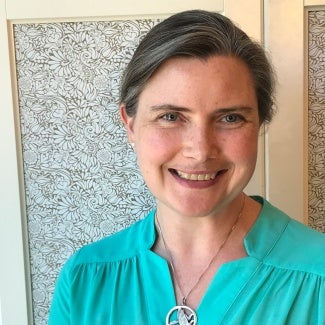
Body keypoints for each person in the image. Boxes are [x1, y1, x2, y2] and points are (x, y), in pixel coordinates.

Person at [49, 10, 325, 325]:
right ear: (130, 125)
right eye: (170, 116)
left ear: (259, 124)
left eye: (230, 118)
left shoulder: (318, 277)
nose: (200, 151)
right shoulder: (85, 280)